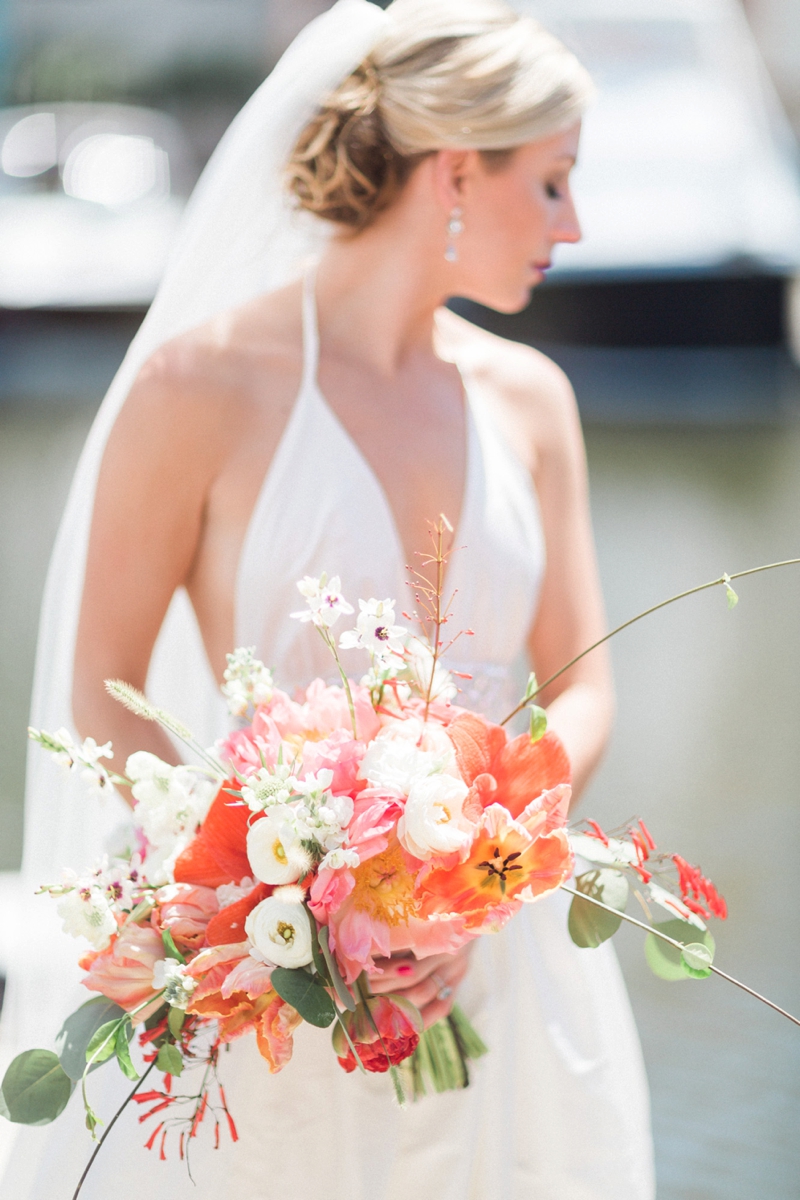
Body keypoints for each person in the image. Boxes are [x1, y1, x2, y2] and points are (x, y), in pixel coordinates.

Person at [2, 1, 655, 1195]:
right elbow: (106, 691)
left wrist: (466, 871)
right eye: (554, 183)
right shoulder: (197, 389)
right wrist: (282, 888)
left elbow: (582, 684)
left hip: (498, 962)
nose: (576, 223)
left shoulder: (531, 400)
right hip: (285, 981)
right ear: (457, 169)